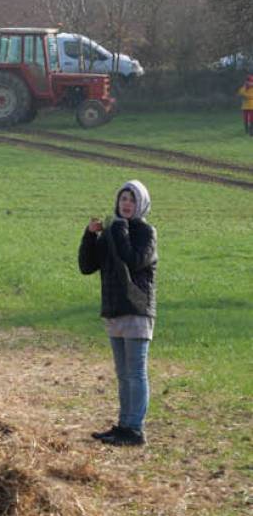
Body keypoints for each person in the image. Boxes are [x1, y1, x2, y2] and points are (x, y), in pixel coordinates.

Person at [79, 180, 157, 447]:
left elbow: (133, 259)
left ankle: (135, 429)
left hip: (136, 310)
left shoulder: (146, 232)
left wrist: (119, 228)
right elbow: (87, 266)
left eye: (132, 200)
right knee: (122, 373)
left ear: (141, 204)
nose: (126, 204)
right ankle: (124, 425)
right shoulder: (113, 232)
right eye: (123, 198)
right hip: (114, 310)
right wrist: (90, 235)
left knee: (136, 372)